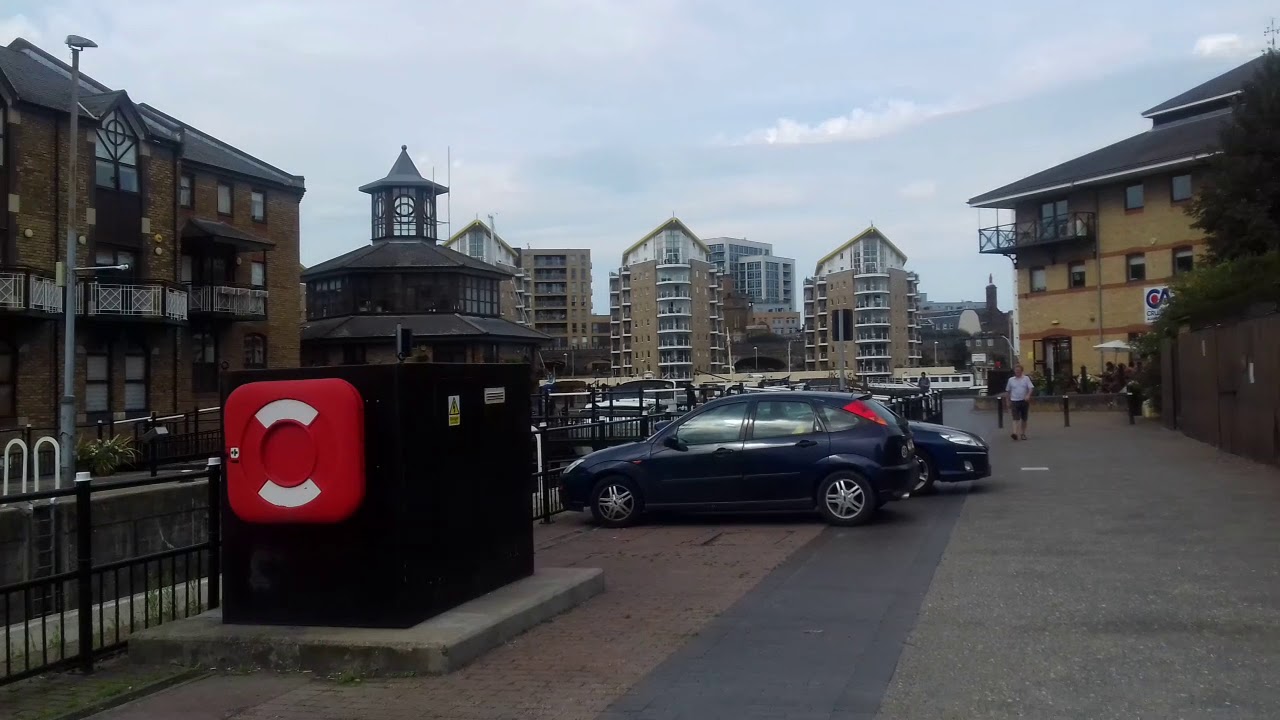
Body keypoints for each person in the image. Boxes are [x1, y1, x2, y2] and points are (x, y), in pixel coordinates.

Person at [1004, 364, 1035, 440]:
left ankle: (1023, 433)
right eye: (1016, 370)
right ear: (1014, 371)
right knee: (1015, 418)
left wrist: (1028, 395)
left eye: (1019, 370)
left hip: (1024, 401)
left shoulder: (1026, 378)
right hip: (1014, 401)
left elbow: (1031, 388)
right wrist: (1007, 401)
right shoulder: (1011, 380)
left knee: (1024, 418)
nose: (1017, 372)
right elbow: (1008, 391)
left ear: (1021, 371)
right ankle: (1014, 433)